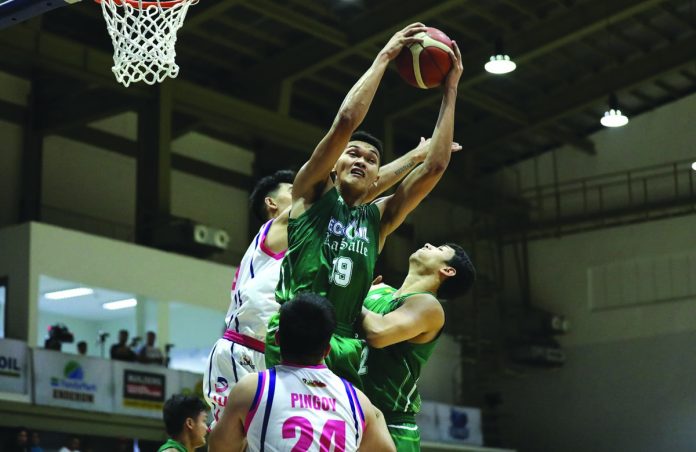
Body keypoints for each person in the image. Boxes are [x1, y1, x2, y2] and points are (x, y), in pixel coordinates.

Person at [203, 140, 457, 426]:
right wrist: (413, 156)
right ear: (272, 204)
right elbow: (355, 191)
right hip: (247, 349)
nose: (310, 187)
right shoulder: (283, 223)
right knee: (236, 438)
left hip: (292, 346)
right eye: (292, 189)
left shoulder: (317, 234)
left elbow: (356, 193)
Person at [264, 23, 464, 387]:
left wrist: (449, 90)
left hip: (345, 340)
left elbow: (435, 166)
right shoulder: (310, 195)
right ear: (334, 166)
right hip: (295, 327)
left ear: (377, 177)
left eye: (371, 159)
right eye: (352, 153)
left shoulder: (379, 218)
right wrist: (384, 57)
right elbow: (345, 121)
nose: (360, 160)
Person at [208, 293, 395, 452]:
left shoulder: (252, 389)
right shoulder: (359, 403)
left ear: (277, 339)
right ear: (327, 349)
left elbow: (219, 447)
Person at [360, 243, 476, 451]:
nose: (428, 244)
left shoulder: (429, 306)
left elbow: (377, 333)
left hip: (391, 423)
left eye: (439, 249)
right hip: (351, 409)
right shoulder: (380, 291)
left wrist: (352, 296)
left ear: (447, 270)